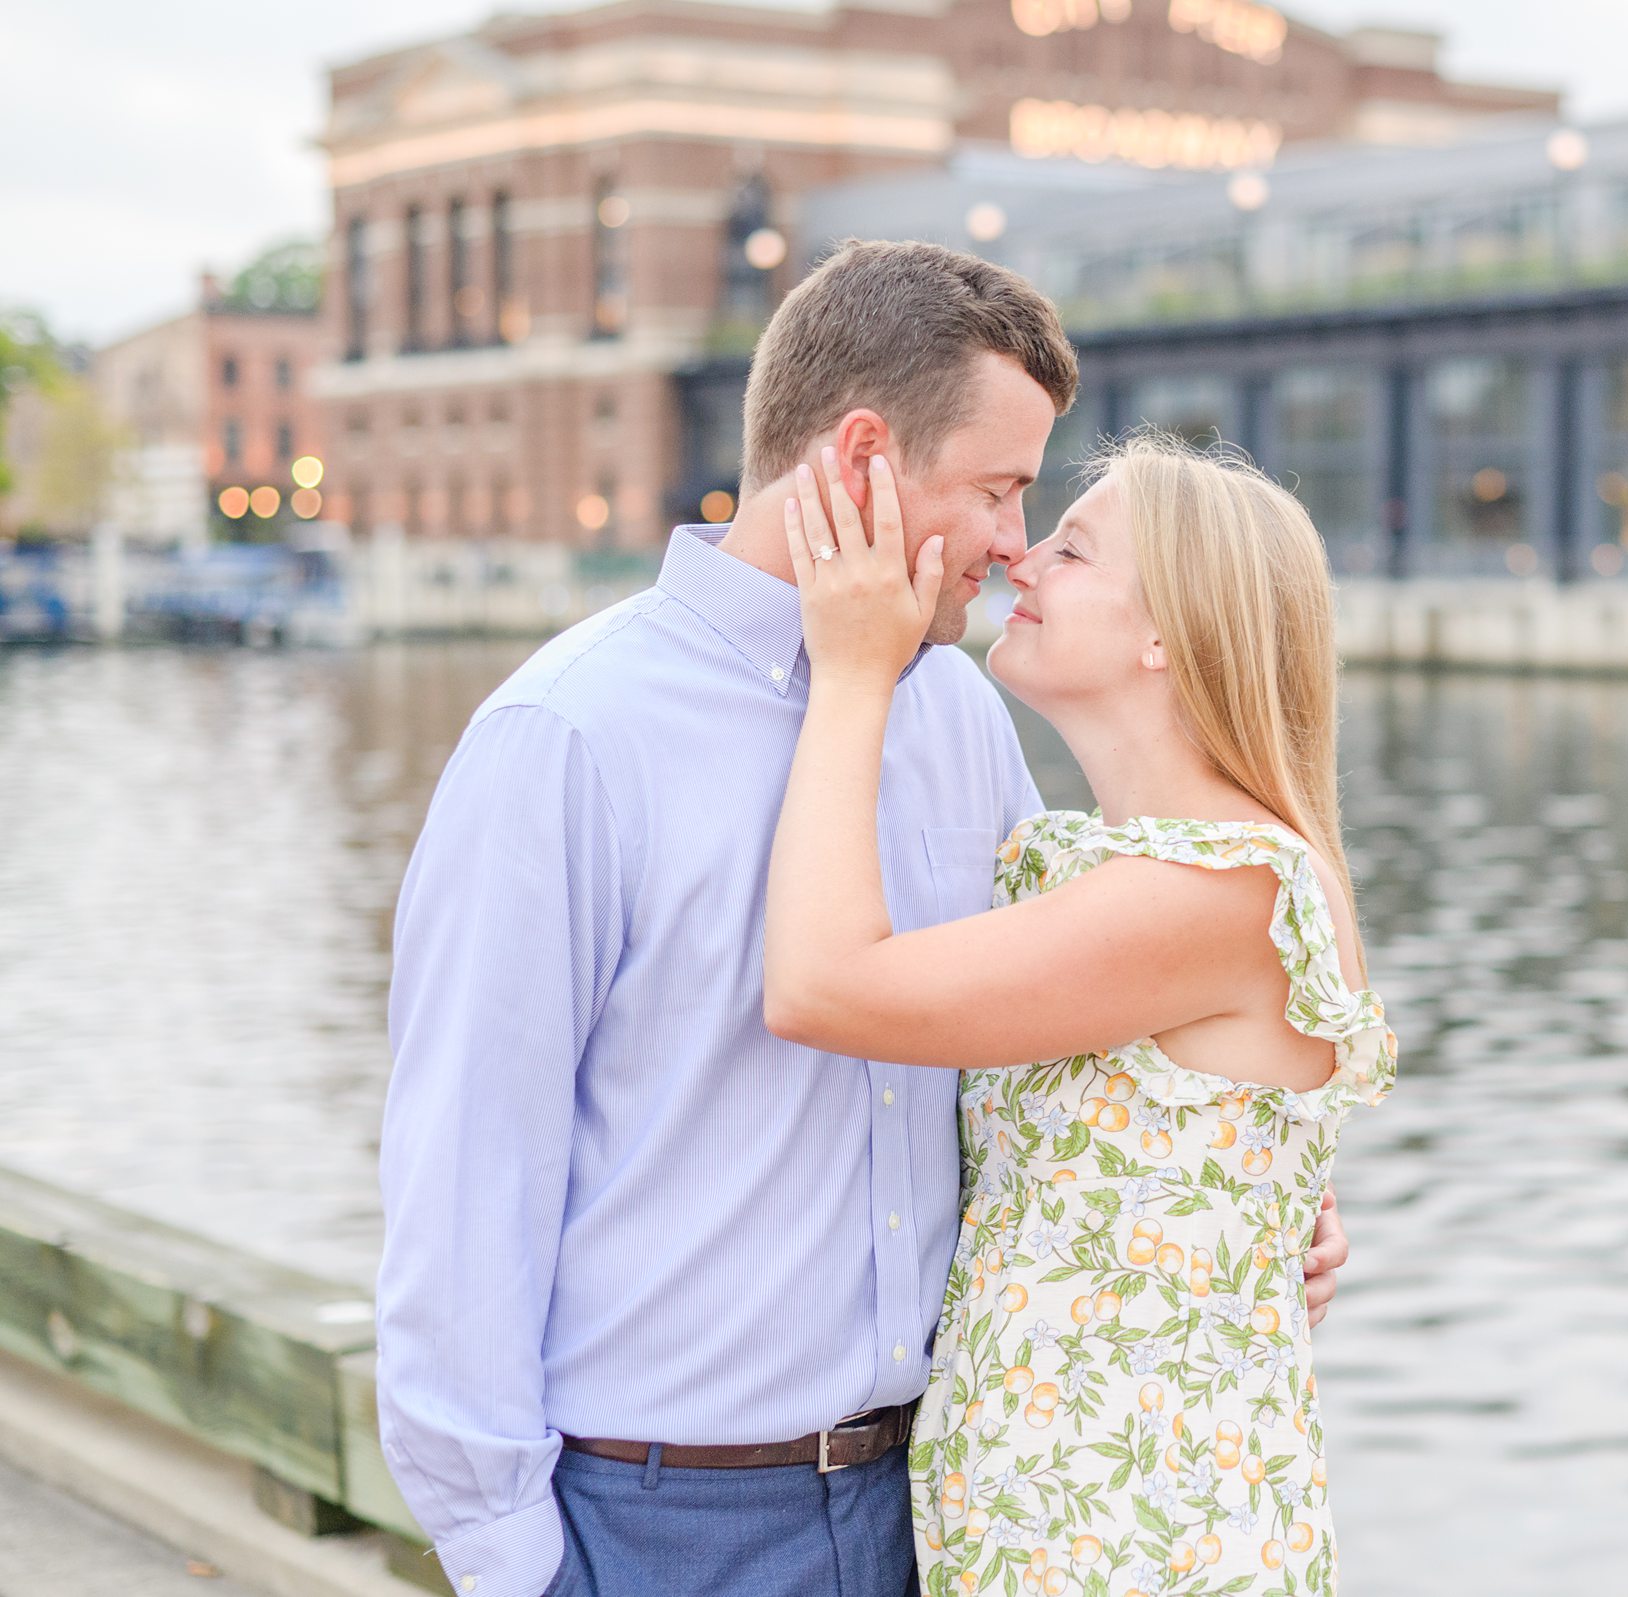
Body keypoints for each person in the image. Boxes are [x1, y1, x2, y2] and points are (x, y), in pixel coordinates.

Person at [375, 242, 1350, 1597]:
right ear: (865, 459)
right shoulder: (568, 738)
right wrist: (512, 1561)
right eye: (1003, 491)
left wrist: (1245, 1198)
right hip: (663, 1519)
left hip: (942, 1509)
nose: (1016, 543)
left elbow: (1074, 1035)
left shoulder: (955, 711)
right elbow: (465, 1172)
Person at [759, 427, 1396, 1597]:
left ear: (1170, 632)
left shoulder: (1223, 890)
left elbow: (822, 986)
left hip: (1147, 1540)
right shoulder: (1105, 866)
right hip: (1050, 1526)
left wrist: (849, 673)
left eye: (1074, 550)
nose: (1022, 560)